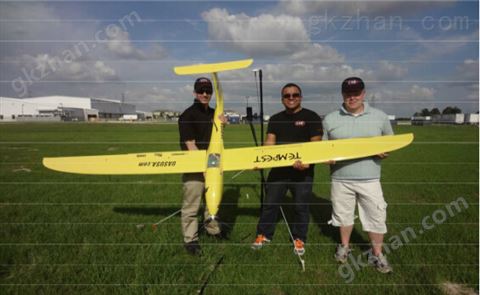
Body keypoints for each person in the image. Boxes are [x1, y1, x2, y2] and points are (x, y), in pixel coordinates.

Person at [322, 77, 394, 273]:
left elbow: (390, 143)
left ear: (363, 93)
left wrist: (385, 151)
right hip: (340, 178)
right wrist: (326, 157)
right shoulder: (330, 119)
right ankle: (344, 246)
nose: (352, 97)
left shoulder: (380, 117)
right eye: (347, 93)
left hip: (370, 178)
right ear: (342, 94)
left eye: (356, 93)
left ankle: (377, 253)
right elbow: (323, 147)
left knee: (376, 216)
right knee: (342, 216)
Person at [251, 83, 323, 256]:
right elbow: (270, 142)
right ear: (282, 99)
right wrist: (259, 159)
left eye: (295, 95)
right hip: (279, 171)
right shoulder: (276, 119)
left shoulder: (311, 116)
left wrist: (308, 162)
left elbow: (317, 144)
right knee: (269, 205)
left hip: (303, 171)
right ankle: (263, 235)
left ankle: (299, 238)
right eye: (287, 96)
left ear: (301, 96)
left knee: (301, 206)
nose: (291, 98)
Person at [178, 77, 223, 256]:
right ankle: (191, 239)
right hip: (194, 165)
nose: (205, 94)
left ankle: (212, 230)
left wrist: (222, 123)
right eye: (201, 91)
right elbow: (190, 144)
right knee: (192, 204)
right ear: (195, 93)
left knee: (211, 202)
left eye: (208, 91)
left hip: (212, 164)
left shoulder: (213, 113)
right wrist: (205, 168)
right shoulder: (187, 115)